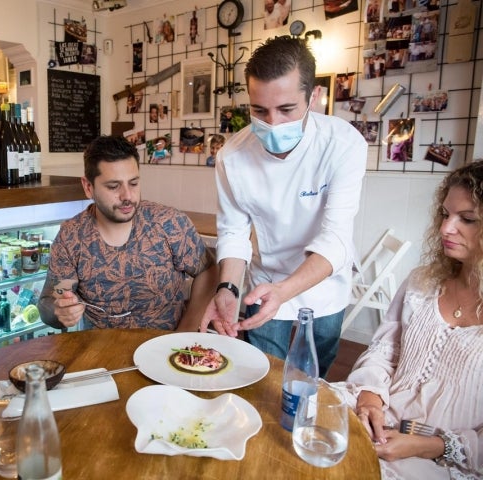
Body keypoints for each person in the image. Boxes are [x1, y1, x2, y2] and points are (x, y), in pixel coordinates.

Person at [200, 36, 367, 378]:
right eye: (259, 111)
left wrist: (286, 291)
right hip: (265, 280)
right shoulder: (232, 155)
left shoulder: (343, 144)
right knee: (265, 375)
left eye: (286, 109)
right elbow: (233, 232)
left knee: (313, 379)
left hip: (324, 282)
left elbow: (336, 237)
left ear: (313, 97)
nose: (273, 124)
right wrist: (228, 289)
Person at [336, 161, 483, 479]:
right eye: (445, 214)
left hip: (443, 457)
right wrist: (371, 397)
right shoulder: (423, 282)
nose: (446, 228)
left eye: (467, 219)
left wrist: (428, 446)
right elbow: (385, 349)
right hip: (380, 418)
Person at [38, 135, 217, 331]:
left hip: (167, 350)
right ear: (88, 187)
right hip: (103, 353)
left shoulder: (169, 223)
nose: (128, 196)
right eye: (114, 186)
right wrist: (58, 309)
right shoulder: (72, 237)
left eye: (133, 183)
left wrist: (185, 332)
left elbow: (207, 270)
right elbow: (53, 296)